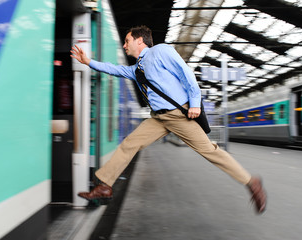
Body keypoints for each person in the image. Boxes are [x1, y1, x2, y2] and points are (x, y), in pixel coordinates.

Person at [70, 26, 267, 214]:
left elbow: (186, 73)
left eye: (127, 40)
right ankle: (104, 186)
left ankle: (251, 182)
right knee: (129, 143)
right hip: (158, 119)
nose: (124, 45)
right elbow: (114, 69)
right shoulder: (136, 69)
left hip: (178, 115)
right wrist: (88, 61)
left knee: (209, 151)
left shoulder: (161, 51)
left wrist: (196, 103)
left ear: (139, 40)